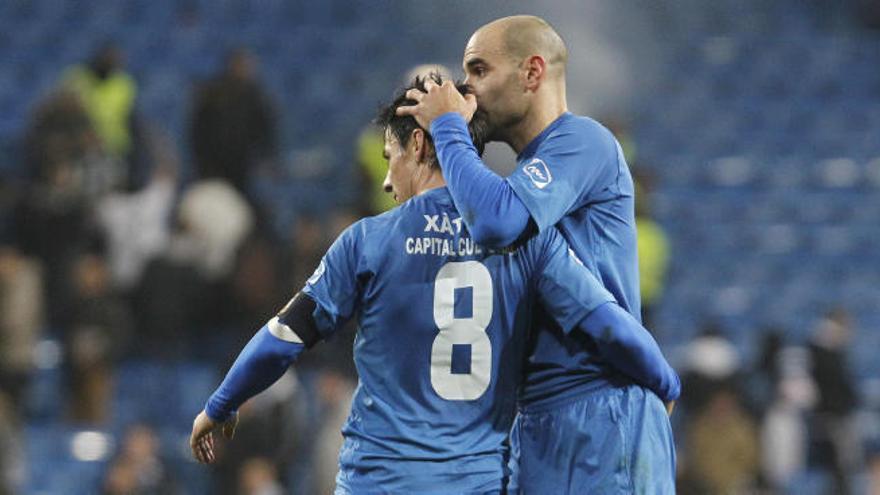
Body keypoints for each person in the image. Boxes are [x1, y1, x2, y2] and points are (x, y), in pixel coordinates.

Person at [190, 77, 679, 493]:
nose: (386, 180)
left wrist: (220, 404)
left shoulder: (368, 240)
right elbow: (608, 325)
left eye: (390, 156)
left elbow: (285, 337)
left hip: (378, 479)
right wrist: (663, 379)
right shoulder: (530, 242)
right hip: (476, 480)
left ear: (420, 146)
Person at [396, 15, 676, 493]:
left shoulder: (585, 141)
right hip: (538, 421)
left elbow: (497, 222)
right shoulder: (524, 183)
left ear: (532, 73)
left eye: (479, 70)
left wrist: (447, 125)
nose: (467, 89)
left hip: (601, 410)